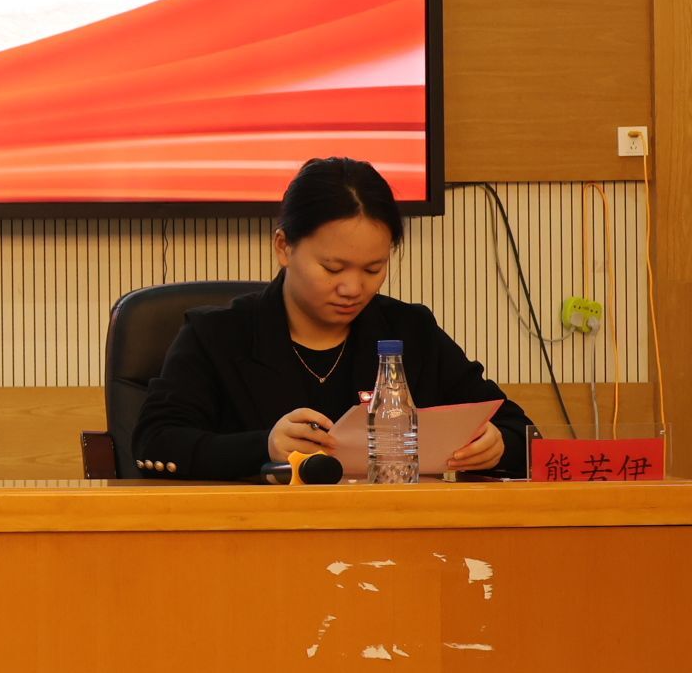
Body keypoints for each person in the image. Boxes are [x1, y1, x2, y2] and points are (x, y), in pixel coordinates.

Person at [134, 156, 534, 479]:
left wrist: (499, 444)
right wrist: (264, 446)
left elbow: (520, 429)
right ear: (284, 247)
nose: (353, 288)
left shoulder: (410, 332)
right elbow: (155, 441)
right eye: (332, 268)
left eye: (373, 268)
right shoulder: (217, 335)